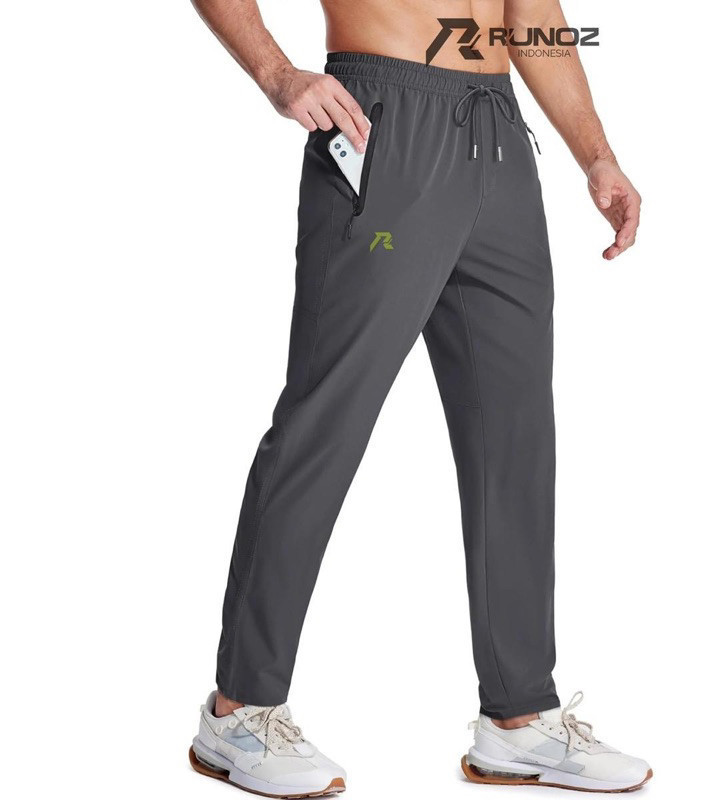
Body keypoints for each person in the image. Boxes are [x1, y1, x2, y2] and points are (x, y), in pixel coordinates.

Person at [188, 0, 649, 795]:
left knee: (514, 437)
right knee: (326, 423)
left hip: (499, 139)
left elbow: (531, 16)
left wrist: (597, 156)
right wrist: (277, 73)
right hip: (385, 124)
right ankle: (239, 710)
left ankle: (519, 719)